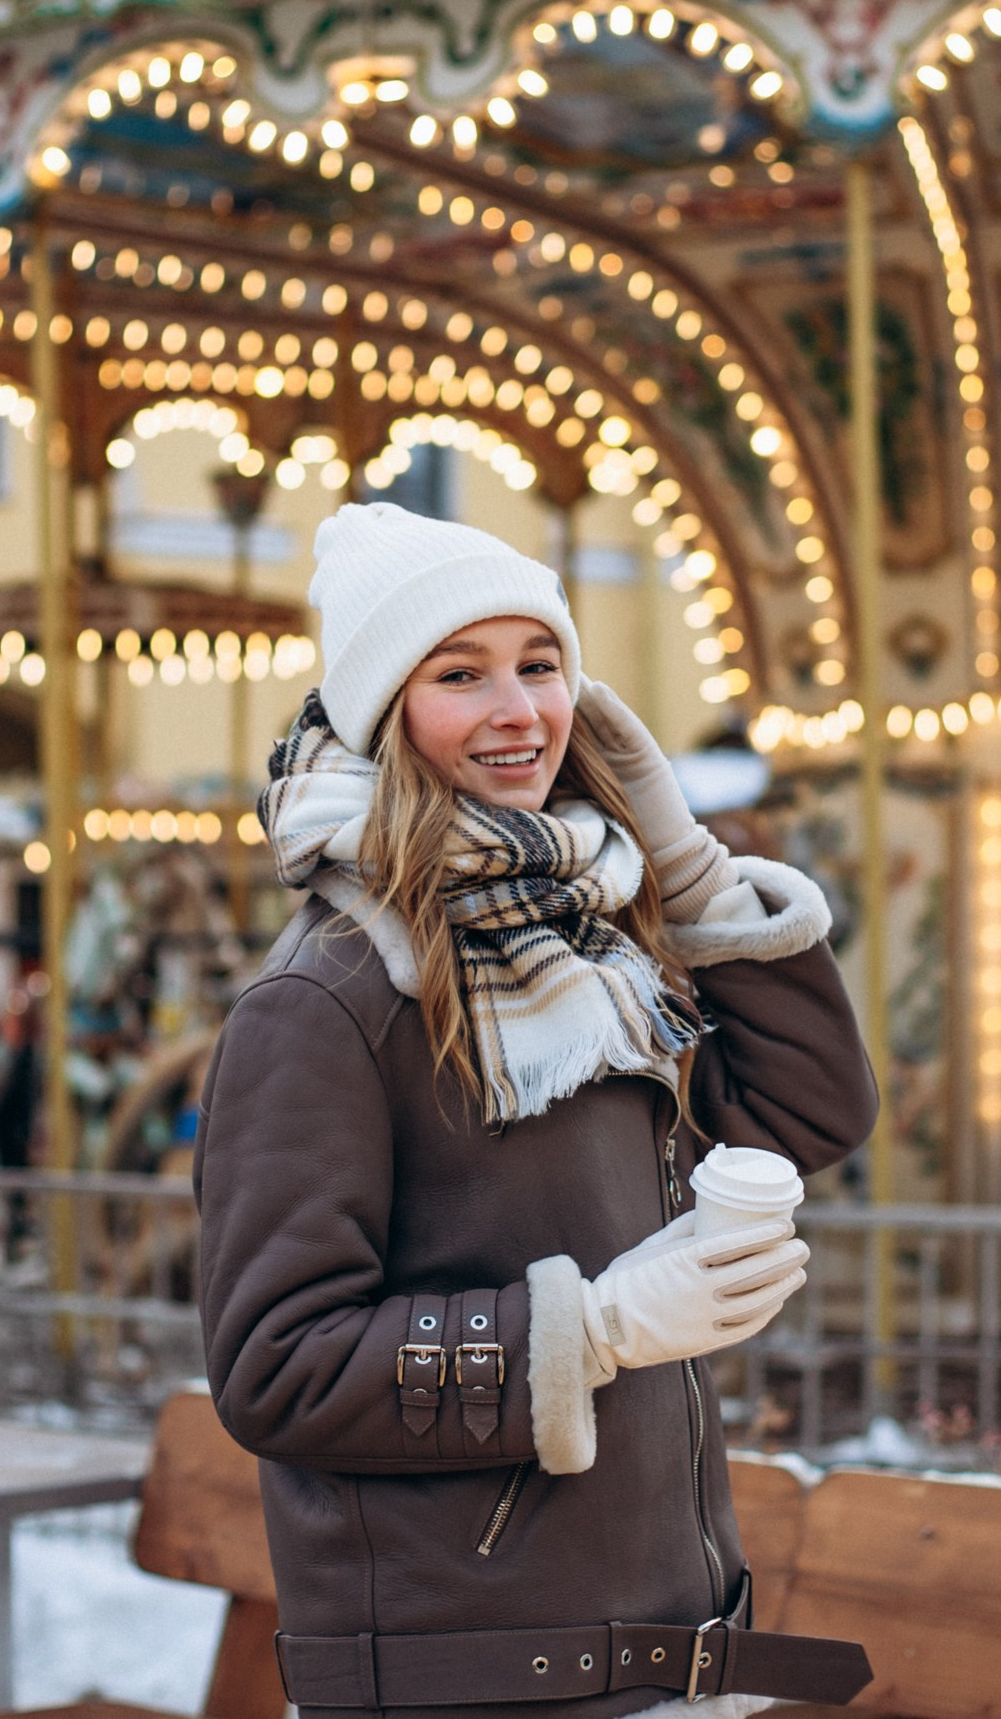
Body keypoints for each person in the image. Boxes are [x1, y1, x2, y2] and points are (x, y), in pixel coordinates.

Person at [194, 505, 879, 1719]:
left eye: (540, 664)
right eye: (461, 674)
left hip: (670, 1652)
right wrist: (599, 1326)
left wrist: (689, 863)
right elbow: (276, 1370)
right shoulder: (326, 1002)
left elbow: (807, 1109)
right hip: (464, 1683)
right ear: (386, 710)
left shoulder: (592, 942)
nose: (519, 711)